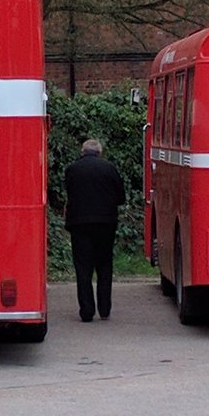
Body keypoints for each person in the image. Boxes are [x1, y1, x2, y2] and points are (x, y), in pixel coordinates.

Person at [64, 138, 126, 322]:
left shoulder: (72, 169)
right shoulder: (109, 168)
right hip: (105, 223)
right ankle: (104, 309)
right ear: (100, 152)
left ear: (82, 152)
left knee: (83, 268)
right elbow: (121, 197)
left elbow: (69, 193)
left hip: (79, 224)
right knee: (104, 265)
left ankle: (87, 311)